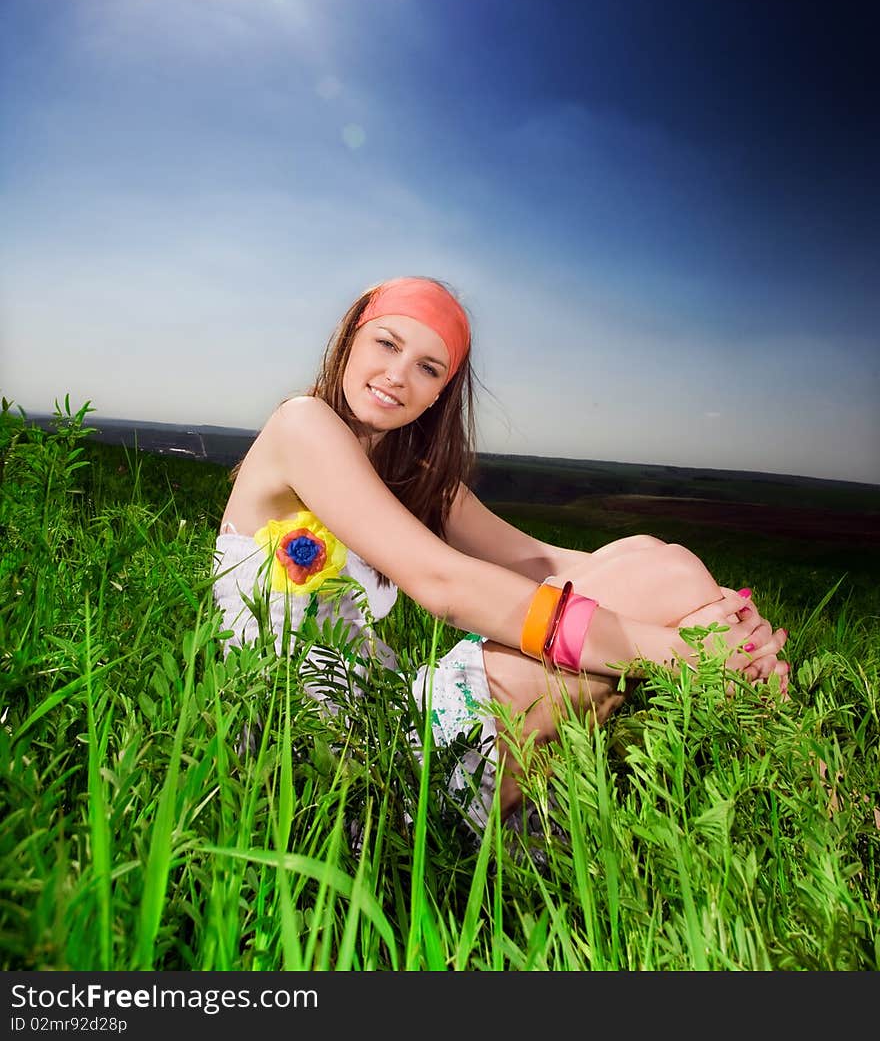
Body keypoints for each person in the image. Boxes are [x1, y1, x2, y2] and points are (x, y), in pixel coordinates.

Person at [212, 275, 789, 830]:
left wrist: (714, 616)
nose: (396, 375)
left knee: (663, 561)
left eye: (427, 367)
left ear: (441, 392)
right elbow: (445, 585)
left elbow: (545, 562)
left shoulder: (412, 477)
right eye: (386, 343)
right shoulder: (301, 424)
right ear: (349, 340)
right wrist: (680, 649)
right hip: (320, 756)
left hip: (380, 715)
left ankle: (784, 744)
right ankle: (808, 782)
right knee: (669, 591)